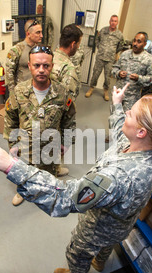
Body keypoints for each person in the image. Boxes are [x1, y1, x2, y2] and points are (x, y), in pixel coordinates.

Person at [0, 83, 152, 273]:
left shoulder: (117, 177)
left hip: (98, 225)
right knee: (106, 245)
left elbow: (64, 197)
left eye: (131, 113)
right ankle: (99, 262)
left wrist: (12, 167)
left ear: (142, 132)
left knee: (79, 250)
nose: (126, 113)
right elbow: (120, 133)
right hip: (121, 223)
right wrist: (117, 104)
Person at [3, 46, 76, 206]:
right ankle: (22, 190)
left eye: (46, 65)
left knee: (48, 171)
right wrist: (12, 144)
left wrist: (66, 141)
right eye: (37, 65)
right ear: (29, 65)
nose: (41, 70)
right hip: (25, 145)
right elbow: (11, 119)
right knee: (23, 171)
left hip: (50, 145)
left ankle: (49, 184)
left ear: (52, 66)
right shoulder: (19, 91)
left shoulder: (62, 92)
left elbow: (69, 119)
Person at [50, 23, 83, 177]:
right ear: (73, 44)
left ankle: (53, 169)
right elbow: (68, 106)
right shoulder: (69, 69)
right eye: (79, 44)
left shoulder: (47, 59)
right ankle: (51, 173)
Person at [111, 32, 152, 111]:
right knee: (114, 116)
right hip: (118, 94)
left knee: (127, 120)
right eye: (134, 41)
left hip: (132, 98)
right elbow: (114, 69)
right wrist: (118, 73)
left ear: (145, 44)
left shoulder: (149, 59)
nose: (135, 44)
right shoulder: (125, 54)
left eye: (139, 42)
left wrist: (139, 78)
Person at [85, 15, 124, 101]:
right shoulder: (103, 30)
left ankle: (106, 91)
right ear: (109, 21)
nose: (113, 22)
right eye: (112, 20)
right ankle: (91, 88)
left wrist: (114, 52)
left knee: (107, 77)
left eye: (115, 21)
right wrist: (100, 47)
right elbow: (97, 39)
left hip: (110, 59)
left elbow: (120, 46)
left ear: (117, 23)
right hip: (100, 57)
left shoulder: (119, 34)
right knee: (95, 74)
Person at [5, 20, 43, 95]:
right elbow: (9, 74)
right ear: (28, 34)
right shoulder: (17, 50)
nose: (41, 35)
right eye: (38, 32)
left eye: (41, 32)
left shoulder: (39, 49)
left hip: (36, 91)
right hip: (22, 93)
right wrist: (12, 94)